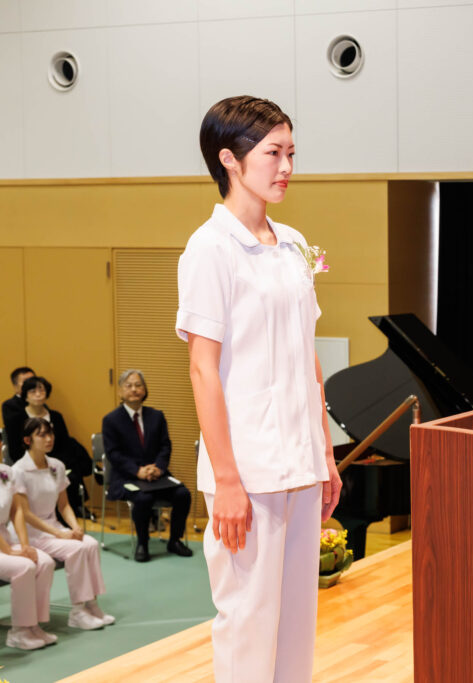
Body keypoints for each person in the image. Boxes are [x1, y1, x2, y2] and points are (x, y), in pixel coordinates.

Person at [176, 95, 342, 681]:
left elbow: (307, 356)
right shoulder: (209, 249)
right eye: (273, 153)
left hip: (301, 463)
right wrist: (226, 480)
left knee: (296, 626)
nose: (287, 166)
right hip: (246, 471)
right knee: (248, 625)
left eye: (291, 152)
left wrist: (325, 453)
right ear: (230, 159)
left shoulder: (293, 243)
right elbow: (202, 370)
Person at [15, 417, 114, 630]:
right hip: (32, 533)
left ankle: (92, 604)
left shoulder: (57, 465)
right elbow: (25, 513)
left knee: (90, 544)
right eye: (42, 435)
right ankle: (77, 611)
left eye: (50, 433)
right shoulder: (18, 471)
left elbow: (64, 505)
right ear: (28, 440)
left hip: (55, 528)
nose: (48, 439)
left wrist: (74, 526)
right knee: (76, 549)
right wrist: (59, 534)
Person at [101, 369, 193, 562]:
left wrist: (158, 467)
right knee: (143, 498)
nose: (134, 389)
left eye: (138, 385)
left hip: (157, 475)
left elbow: (165, 446)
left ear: (144, 390)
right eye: (129, 385)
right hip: (127, 477)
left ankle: (174, 540)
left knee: (183, 494)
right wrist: (137, 471)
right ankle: (143, 543)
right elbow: (113, 454)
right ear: (120, 391)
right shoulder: (111, 420)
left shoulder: (156, 416)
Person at [1, 459, 57, 649]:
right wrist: (9, 551)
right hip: (3, 546)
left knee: (45, 562)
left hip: (6, 539)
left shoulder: (7, 472)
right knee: (24, 567)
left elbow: (17, 510)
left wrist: (25, 546)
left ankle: (33, 625)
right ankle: (18, 632)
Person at [18, 376, 93, 519]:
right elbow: (16, 447)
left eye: (41, 391)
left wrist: (56, 462)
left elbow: (64, 443)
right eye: (33, 391)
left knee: (70, 474)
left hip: (55, 459)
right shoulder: (19, 418)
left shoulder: (56, 416)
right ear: (25, 396)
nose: (38, 394)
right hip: (31, 460)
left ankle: (70, 510)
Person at [2, 366, 34, 460]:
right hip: (23, 455)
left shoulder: (42, 405)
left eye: (33, 380)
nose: (31, 385)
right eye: (26, 382)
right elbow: (15, 437)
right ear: (15, 386)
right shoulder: (10, 405)